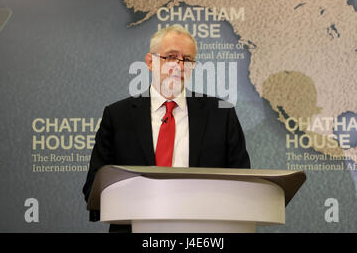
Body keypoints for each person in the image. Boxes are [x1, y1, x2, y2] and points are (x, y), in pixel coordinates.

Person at [82, 25, 250, 231]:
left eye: (187, 60)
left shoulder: (221, 114)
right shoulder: (117, 116)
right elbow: (94, 187)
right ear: (150, 62)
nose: (179, 66)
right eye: (171, 57)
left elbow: (243, 184)